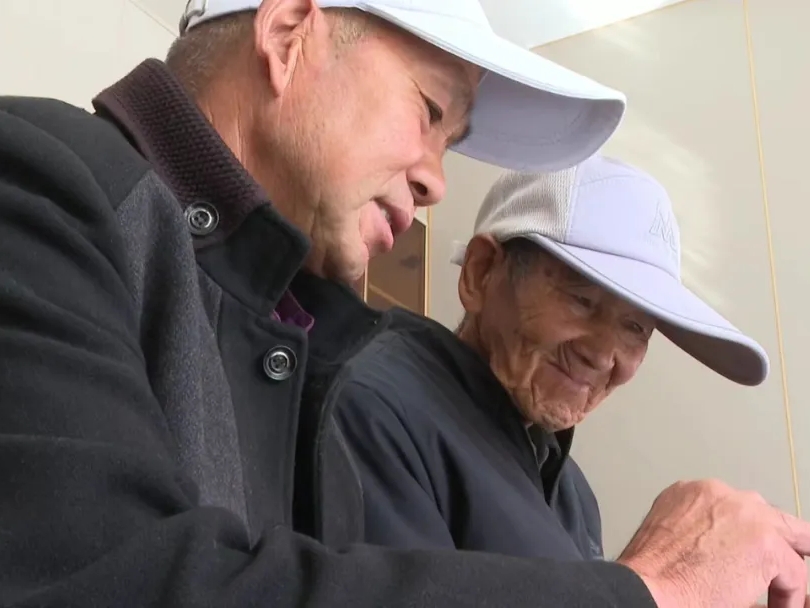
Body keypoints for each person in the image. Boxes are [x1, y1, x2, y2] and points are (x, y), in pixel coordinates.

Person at [0, 0, 807, 605]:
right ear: (288, 34)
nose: (436, 182)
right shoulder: (37, 178)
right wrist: (651, 589)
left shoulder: (287, 338)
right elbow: (105, 577)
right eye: (429, 111)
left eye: (638, 325)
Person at [334, 154, 769, 565]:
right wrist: (656, 581)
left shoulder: (571, 492)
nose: (601, 355)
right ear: (481, 273)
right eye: (581, 299)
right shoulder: (373, 407)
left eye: (636, 328)